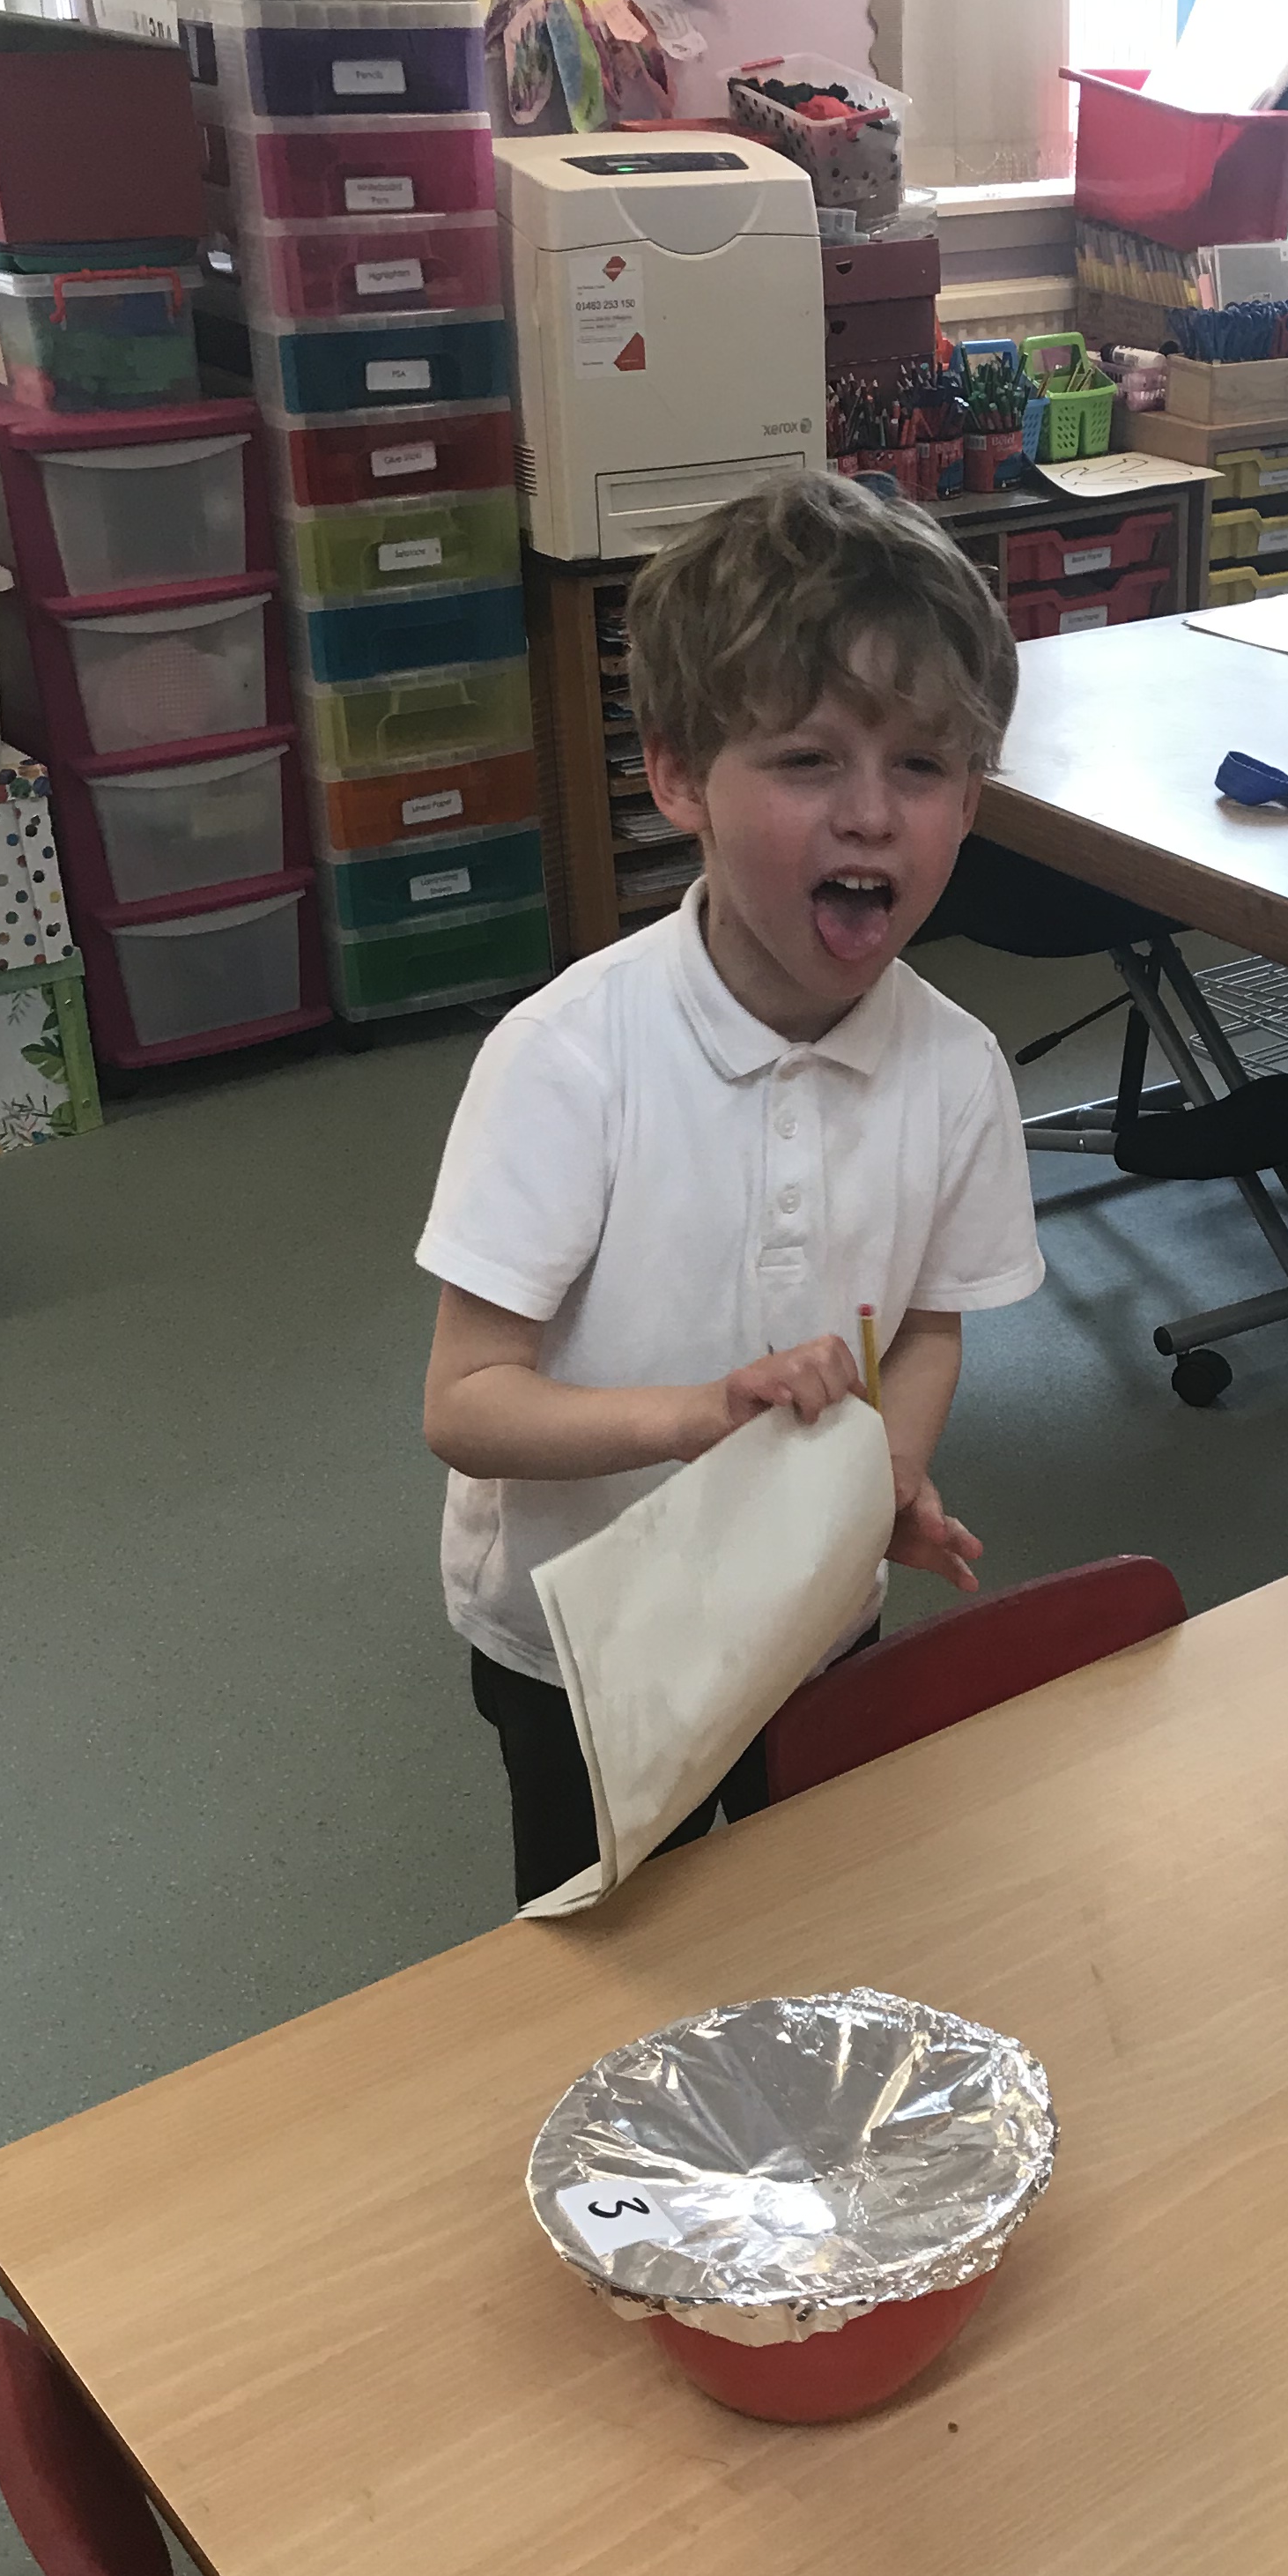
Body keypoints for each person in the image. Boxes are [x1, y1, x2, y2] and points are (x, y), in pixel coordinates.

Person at [417, 474, 1045, 1906]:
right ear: (681, 778)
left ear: (971, 799)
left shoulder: (957, 1069)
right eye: (808, 760)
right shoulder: (571, 1058)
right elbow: (466, 1405)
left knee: (795, 1908)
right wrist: (701, 1416)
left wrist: (883, 1479)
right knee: (609, 1945)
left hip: (812, 1612)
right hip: (584, 1638)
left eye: (924, 767)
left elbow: (929, 1327)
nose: (872, 816)